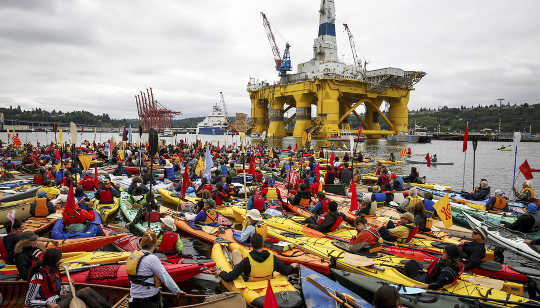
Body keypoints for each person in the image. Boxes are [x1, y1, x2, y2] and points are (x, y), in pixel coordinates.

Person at [127, 231, 182, 307]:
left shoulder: (132, 255)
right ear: (155, 244)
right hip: (148, 300)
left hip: (133, 299)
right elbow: (165, 277)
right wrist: (177, 291)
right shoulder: (152, 258)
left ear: (141, 244)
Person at [217, 233, 298, 283]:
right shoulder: (273, 257)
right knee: (236, 253)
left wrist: (220, 272)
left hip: (251, 282)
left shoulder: (247, 261)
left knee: (235, 253)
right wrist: (292, 266)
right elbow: (285, 271)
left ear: (251, 245)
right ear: (263, 244)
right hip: (267, 279)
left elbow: (229, 277)